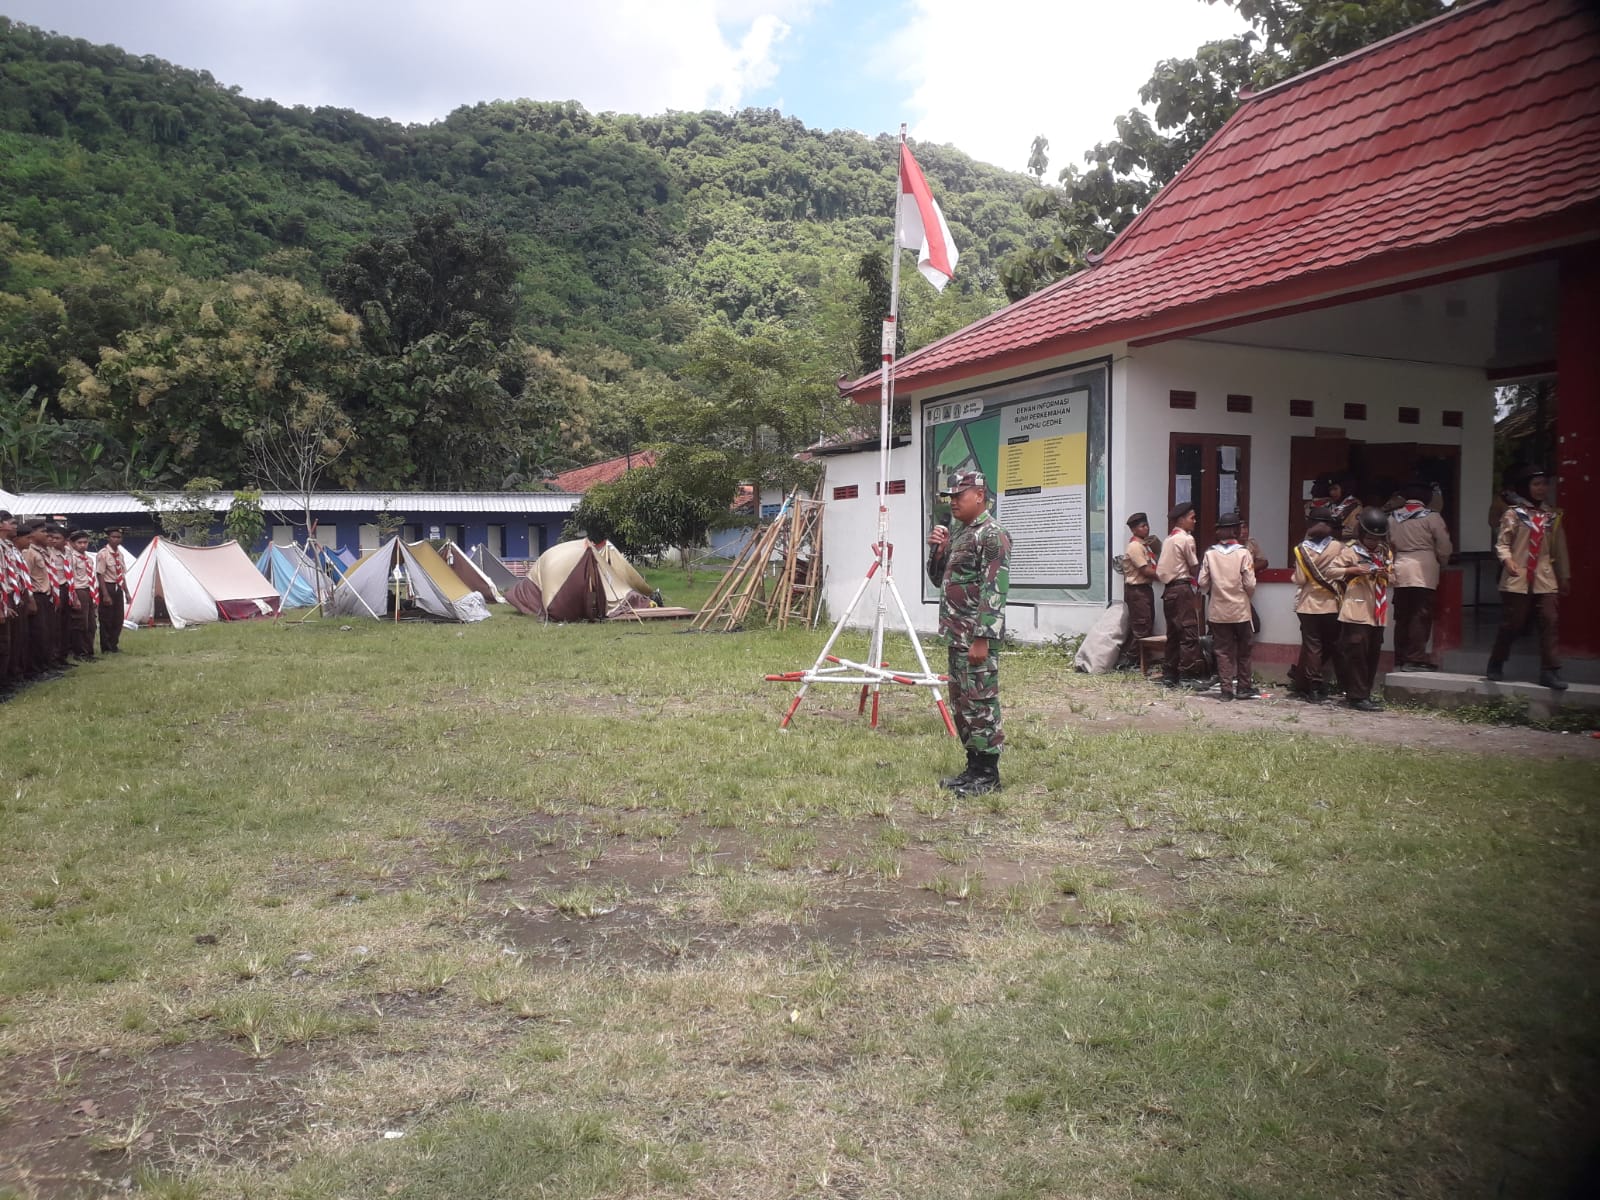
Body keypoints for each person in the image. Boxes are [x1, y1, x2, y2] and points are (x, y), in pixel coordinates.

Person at [926, 468, 1012, 796]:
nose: (953, 503)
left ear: (979, 495)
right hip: (956, 635)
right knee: (963, 704)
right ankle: (973, 768)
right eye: (950, 498)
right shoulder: (961, 534)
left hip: (975, 638)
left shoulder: (992, 534)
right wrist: (938, 549)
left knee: (982, 702)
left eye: (959, 496)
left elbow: (995, 589)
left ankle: (989, 775)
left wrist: (983, 638)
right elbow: (939, 579)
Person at [1487, 465, 1569, 689]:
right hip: (1518, 575)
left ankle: (1550, 670)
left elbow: (1559, 549)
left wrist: (1564, 576)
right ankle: (1496, 661)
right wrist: (1507, 560)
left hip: (1544, 576)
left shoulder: (1551, 515)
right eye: (1536, 484)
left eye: (1544, 484)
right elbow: (1502, 543)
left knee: (1550, 620)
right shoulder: (1514, 514)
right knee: (1513, 623)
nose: (1542, 489)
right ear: (1525, 487)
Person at [1328, 507, 1394, 712]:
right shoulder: (1350, 551)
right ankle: (1356, 695)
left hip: (1378, 610)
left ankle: (1365, 692)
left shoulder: (1384, 553)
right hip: (1356, 609)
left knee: (1372, 653)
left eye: (1377, 537)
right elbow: (1331, 571)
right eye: (1370, 537)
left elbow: (1394, 577)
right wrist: (1354, 570)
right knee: (1356, 652)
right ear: (1362, 534)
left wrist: (1384, 573)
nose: (1373, 542)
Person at [1389, 483, 1453, 671]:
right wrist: (1443, 562)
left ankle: (1400, 657)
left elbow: (1389, 544)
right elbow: (1444, 545)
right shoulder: (1432, 517)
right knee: (1420, 614)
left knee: (1402, 616)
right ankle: (1415, 658)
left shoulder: (1393, 517)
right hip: (1424, 568)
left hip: (1400, 566)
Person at [1197, 511, 1257, 700]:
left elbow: (1202, 582)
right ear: (1236, 530)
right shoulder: (1243, 553)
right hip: (1240, 609)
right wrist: (1244, 596)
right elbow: (1250, 584)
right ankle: (1244, 687)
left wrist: (1215, 591)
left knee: (1223, 650)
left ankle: (1226, 690)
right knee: (1244, 649)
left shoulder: (1210, 554)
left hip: (1218, 610)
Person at [1288, 506, 1344, 702]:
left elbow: (1301, 579)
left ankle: (1313, 686)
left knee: (1312, 646)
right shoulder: (1338, 547)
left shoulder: (1301, 549)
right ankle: (1319, 683)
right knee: (1330, 644)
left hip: (1308, 604)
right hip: (1332, 604)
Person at [1156, 501, 1206, 686]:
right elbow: (1193, 566)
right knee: (1189, 633)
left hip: (1168, 591)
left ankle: (1170, 675)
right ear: (1181, 519)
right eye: (1192, 518)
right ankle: (1188, 676)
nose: (1195, 521)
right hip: (1182, 589)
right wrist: (1199, 584)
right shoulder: (1186, 539)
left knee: (1173, 635)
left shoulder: (1168, 540)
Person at [1115, 512, 1160, 671]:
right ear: (1134, 530)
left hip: (1144, 589)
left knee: (1146, 624)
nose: (1146, 528)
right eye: (1142, 526)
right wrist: (1166, 576)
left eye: (1146, 525)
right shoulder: (1135, 546)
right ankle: (1128, 661)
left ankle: (1141, 661)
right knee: (1141, 626)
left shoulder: (1144, 545)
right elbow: (1145, 571)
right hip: (1137, 590)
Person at [20, 520, 61, 683]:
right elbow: (25, 577)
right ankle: (35, 670)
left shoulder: (43, 551)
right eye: (43, 532)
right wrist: (30, 599)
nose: (47, 535)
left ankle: (45, 666)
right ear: (33, 534)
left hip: (46, 595)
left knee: (48, 633)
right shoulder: (29, 552)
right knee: (38, 634)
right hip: (36, 595)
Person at [66, 530, 99, 660]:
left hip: (89, 590)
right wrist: (74, 596)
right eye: (79, 542)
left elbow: (92, 577)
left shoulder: (89, 559)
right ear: (73, 544)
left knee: (91, 623)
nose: (83, 545)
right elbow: (70, 578)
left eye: (85, 542)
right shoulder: (72, 559)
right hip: (79, 590)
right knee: (81, 624)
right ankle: (79, 652)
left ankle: (89, 651)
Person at [96, 527, 128, 653]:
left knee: (118, 618)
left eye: (118, 537)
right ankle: (106, 646)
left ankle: (114, 644)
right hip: (107, 587)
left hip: (118, 586)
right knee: (106, 619)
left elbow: (122, 574)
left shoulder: (120, 554)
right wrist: (105, 594)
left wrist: (127, 592)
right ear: (108, 538)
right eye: (113, 537)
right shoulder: (103, 553)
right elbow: (100, 574)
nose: (116, 539)